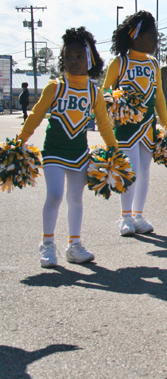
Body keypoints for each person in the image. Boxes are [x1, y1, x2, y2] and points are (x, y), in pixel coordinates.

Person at [21, 27, 118, 267]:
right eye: (68, 57)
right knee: (54, 195)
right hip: (53, 150)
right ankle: (47, 244)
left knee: (76, 199)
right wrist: (20, 140)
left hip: (79, 153)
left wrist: (114, 149)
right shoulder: (55, 86)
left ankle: (74, 246)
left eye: (79, 56)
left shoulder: (94, 91)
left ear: (90, 59)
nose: (73, 61)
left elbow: (104, 124)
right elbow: (35, 115)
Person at [104, 11, 167, 236]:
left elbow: (159, 95)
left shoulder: (153, 63)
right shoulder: (119, 62)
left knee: (143, 171)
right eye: (151, 37)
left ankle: (138, 215)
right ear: (135, 37)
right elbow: (104, 93)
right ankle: (124, 217)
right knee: (129, 170)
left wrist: (166, 125)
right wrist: (116, 102)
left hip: (147, 126)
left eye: (156, 37)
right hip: (125, 127)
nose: (155, 41)